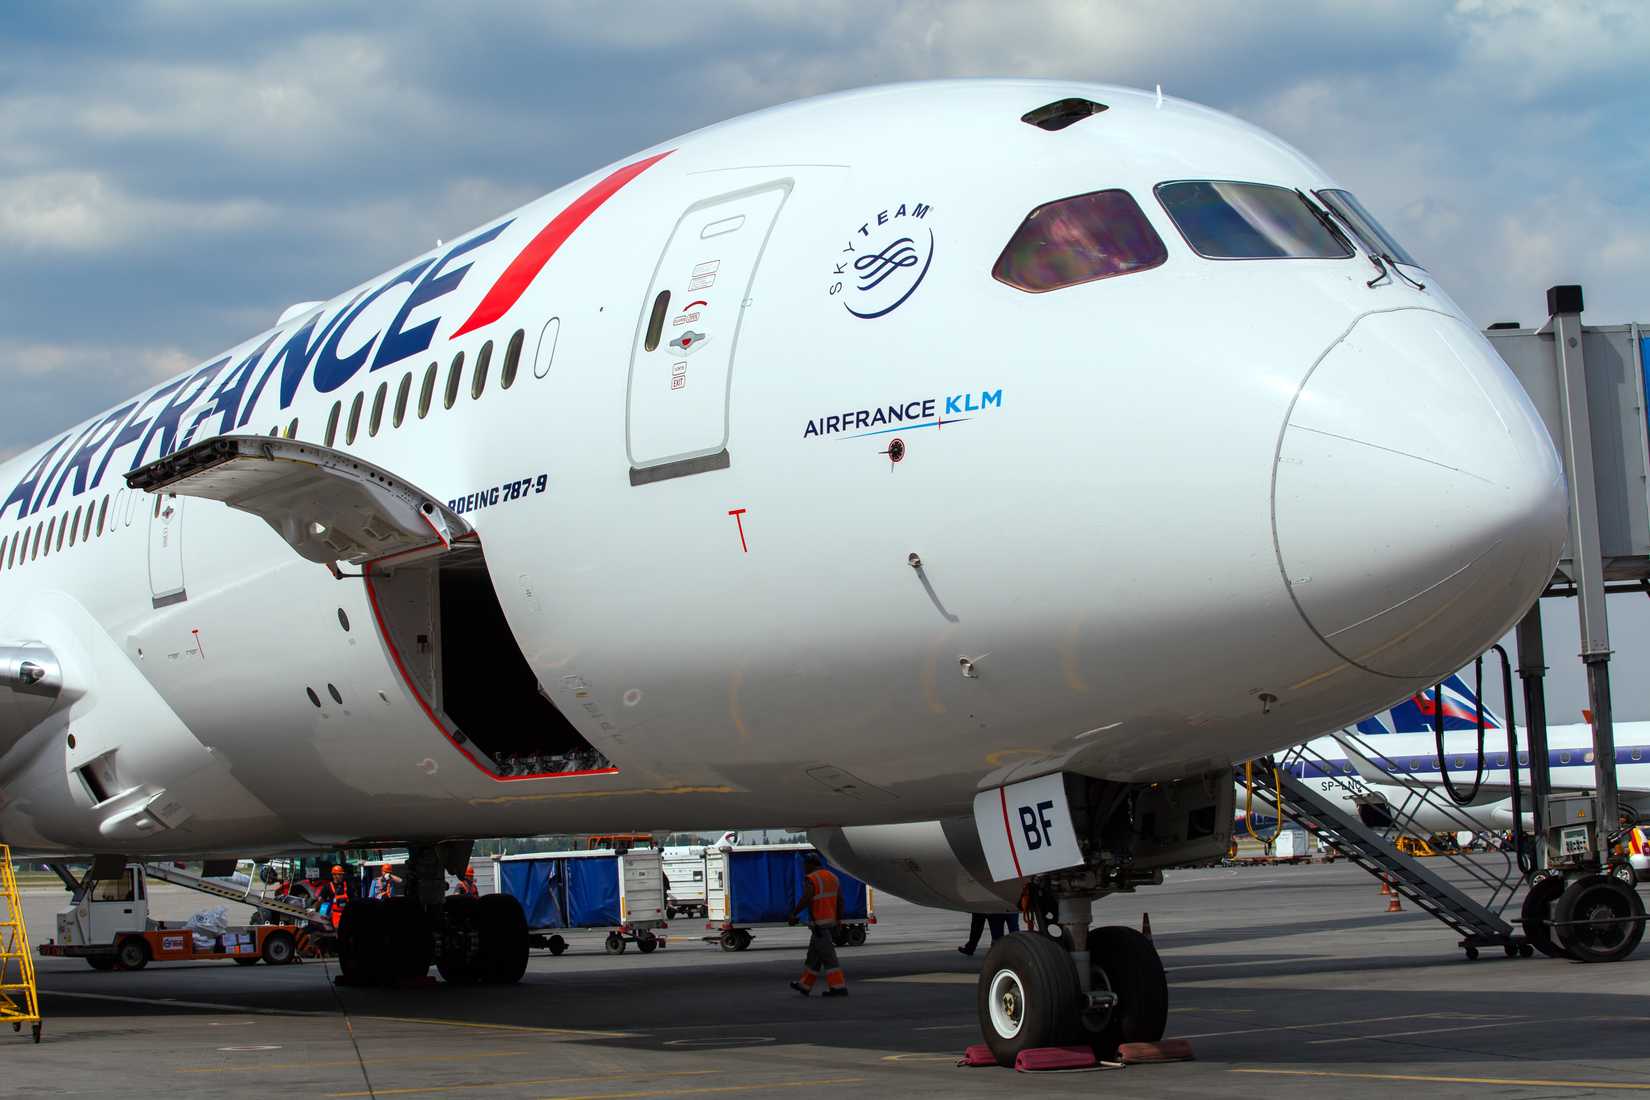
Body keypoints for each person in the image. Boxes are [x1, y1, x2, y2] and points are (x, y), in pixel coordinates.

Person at [787, 855, 847, 997]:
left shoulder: (812, 879)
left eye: (805, 866)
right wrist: (839, 921)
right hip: (829, 925)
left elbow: (807, 898)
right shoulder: (833, 877)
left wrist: (793, 913)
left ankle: (839, 988)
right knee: (813, 958)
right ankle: (804, 986)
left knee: (829, 958)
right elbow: (840, 901)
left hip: (820, 926)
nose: (803, 869)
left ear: (810, 865)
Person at [319, 864, 353, 929]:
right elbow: (321, 899)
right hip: (335, 915)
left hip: (347, 914)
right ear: (333, 875)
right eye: (338, 874)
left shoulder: (348, 885)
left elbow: (353, 899)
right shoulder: (328, 886)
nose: (340, 876)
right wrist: (322, 912)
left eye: (341, 874)